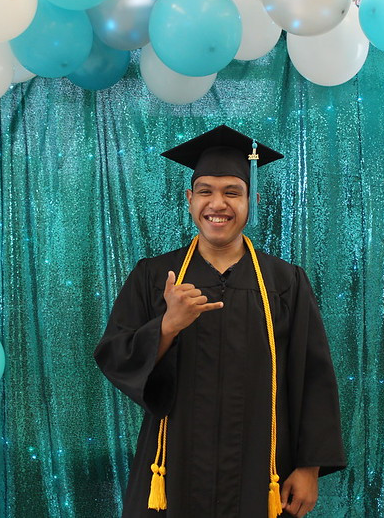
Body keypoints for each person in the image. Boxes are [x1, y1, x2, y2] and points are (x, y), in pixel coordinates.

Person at [94, 125, 346, 518]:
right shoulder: (153, 275)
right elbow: (114, 355)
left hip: (260, 468)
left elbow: (313, 376)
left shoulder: (284, 282)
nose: (219, 204)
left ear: (252, 200)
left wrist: (310, 466)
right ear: (189, 199)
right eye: (206, 191)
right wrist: (167, 325)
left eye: (233, 192)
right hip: (173, 462)